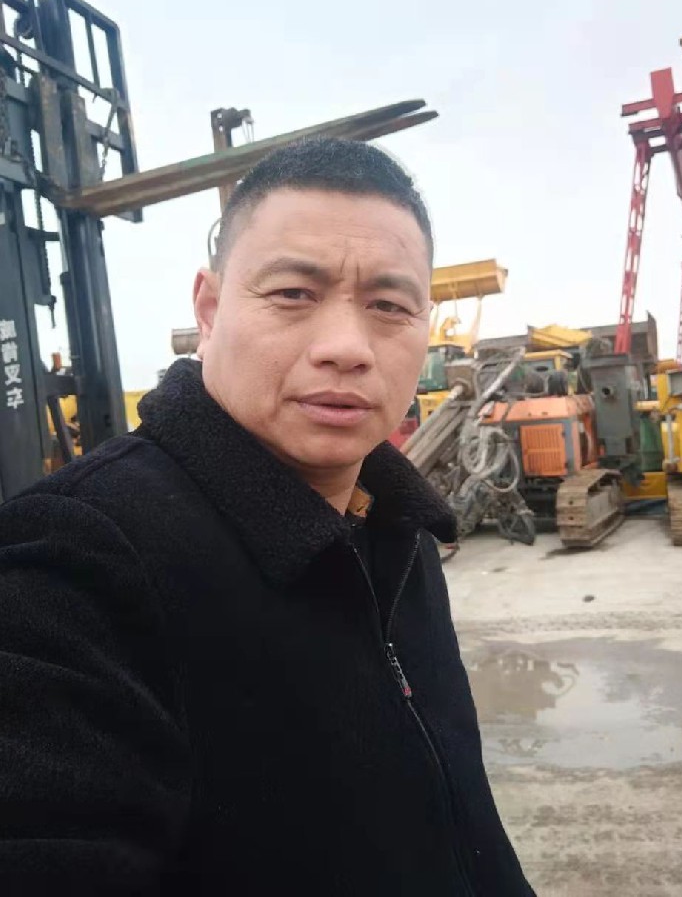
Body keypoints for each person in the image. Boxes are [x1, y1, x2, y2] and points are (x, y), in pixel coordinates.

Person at [0, 139, 534, 896]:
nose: (347, 348)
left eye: (389, 306)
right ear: (210, 310)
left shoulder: (397, 531)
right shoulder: (75, 562)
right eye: (292, 293)